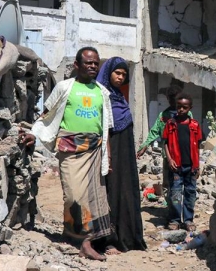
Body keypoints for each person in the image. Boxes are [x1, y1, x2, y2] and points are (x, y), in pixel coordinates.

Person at [20, 47, 113, 261]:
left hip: (94, 151)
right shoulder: (64, 87)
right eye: (88, 63)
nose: (93, 66)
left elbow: (106, 128)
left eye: (96, 63)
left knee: (93, 199)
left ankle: (84, 243)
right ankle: (74, 235)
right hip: (69, 149)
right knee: (73, 195)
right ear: (77, 66)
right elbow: (46, 113)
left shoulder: (102, 92)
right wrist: (34, 133)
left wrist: (108, 157)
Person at [96, 57, 147, 253]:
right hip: (110, 153)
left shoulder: (119, 97)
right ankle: (110, 240)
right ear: (108, 72)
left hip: (125, 156)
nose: (121, 77)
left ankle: (129, 237)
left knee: (126, 191)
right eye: (117, 72)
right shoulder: (101, 96)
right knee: (110, 192)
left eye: (124, 74)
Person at [136, 85, 191, 190]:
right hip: (168, 155)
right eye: (170, 98)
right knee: (168, 183)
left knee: (184, 183)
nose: (172, 101)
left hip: (184, 154)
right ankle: (170, 204)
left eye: (175, 98)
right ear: (167, 98)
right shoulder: (163, 115)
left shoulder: (188, 115)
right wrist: (145, 145)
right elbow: (155, 131)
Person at [162, 93, 203, 231]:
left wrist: (198, 166)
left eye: (184, 107)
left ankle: (188, 220)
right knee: (175, 194)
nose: (181, 110)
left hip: (191, 167)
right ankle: (174, 219)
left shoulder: (195, 125)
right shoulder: (170, 124)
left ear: (190, 108)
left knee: (190, 193)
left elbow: (197, 146)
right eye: (179, 106)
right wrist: (169, 159)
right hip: (176, 167)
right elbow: (166, 143)